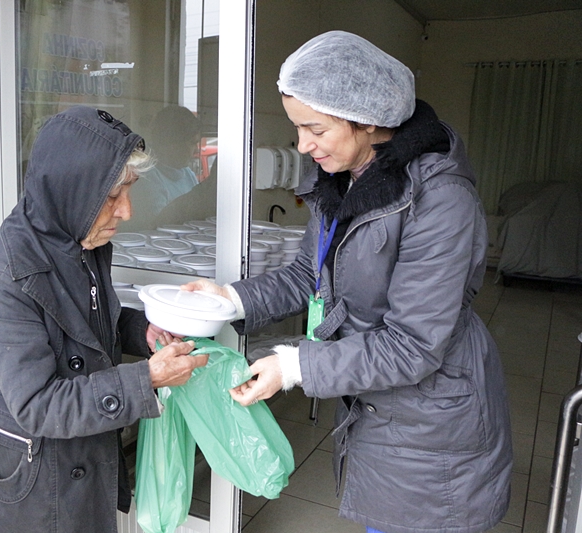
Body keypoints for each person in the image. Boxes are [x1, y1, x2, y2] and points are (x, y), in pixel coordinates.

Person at [183, 31, 512, 533]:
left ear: (368, 120)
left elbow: (414, 346)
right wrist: (230, 299)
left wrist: (294, 366)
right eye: (297, 128)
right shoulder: (341, 182)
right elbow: (307, 276)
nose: (302, 144)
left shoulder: (440, 200)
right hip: (383, 412)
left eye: (314, 128)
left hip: (432, 426)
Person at [0, 106, 209, 533]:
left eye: (129, 191)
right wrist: (147, 379)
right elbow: (38, 404)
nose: (126, 211)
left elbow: (84, 323)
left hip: (77, 460)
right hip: (28, 483)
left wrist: (141, 331)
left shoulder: (79, 241)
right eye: (113, 196)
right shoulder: (7, 275)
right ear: (72, 189)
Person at [120, 105, 204, 231]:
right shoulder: (147, 177)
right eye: (192, 143)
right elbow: (159, 225)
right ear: (173, 143)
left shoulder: (188, 174)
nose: (196, 149)